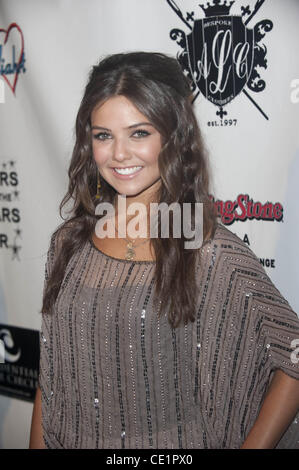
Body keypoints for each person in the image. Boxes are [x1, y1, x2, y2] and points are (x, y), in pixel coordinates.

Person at [29, 52, 299, 449]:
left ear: (173, 136)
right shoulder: (67, 244)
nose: (119, 153)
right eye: (103, 135)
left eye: (139, 133)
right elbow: (50, 376)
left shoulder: (206, 250)